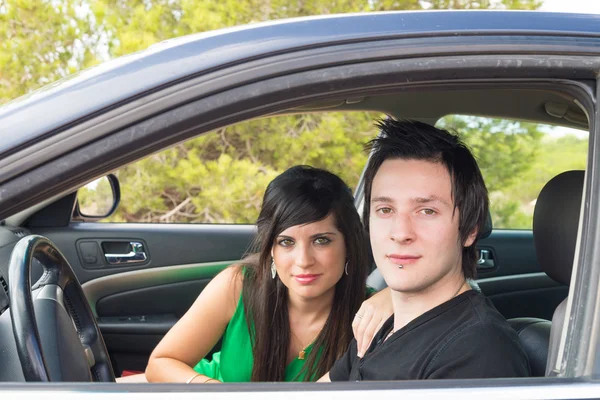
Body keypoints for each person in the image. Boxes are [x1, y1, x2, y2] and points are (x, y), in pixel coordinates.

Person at [320, 119, 530, 381]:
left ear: (469, 230)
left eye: (427, 211)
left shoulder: (477, 353)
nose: (400, 233)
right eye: (385, 210)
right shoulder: (381, 325)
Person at [143, 165, 392, 383]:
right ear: (270, 249)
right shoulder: (239, 284)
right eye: (286, 242)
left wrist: (393, 296)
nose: (303, 261)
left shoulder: (371, 315)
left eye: (321, 240)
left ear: (348, 243)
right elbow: (162, 362)